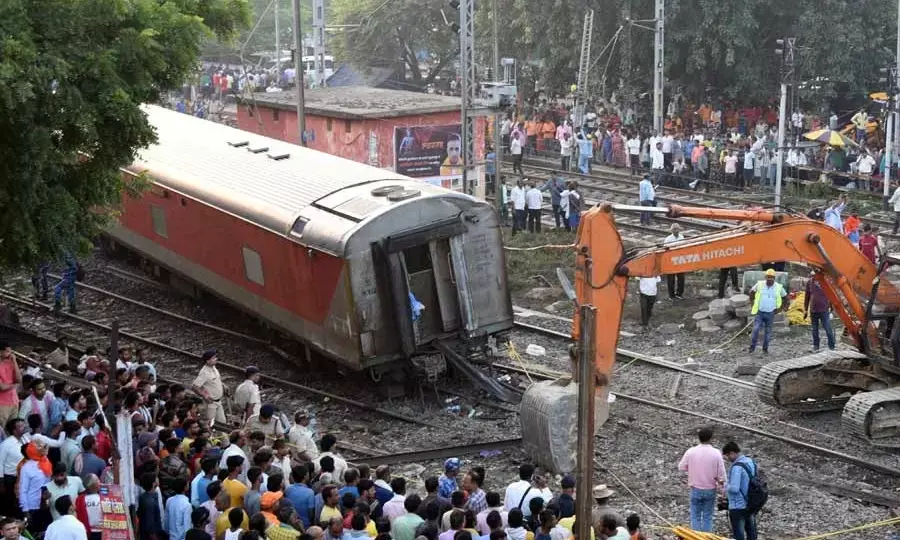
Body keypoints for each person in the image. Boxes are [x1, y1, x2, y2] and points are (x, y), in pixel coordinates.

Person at [677, 427, 726, 532]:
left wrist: (691, 468)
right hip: (710, 488)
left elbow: (681, 467)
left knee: (695, 515)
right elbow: (721, 474)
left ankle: (696, 537)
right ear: (711, 438)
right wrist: (722, 489)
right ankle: (706, 537)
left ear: (699, 438)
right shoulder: (716, 453)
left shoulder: (691, 451)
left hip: (695, 487)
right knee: (708, 516)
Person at [722, 442, 758, 540]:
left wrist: (724, 485)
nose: (728, 459)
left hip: (738, 506)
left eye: (727, 455)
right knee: (752, 533)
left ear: (732, 453)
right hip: (751, 503)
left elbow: (734, 488)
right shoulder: (751, 462)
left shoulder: (737, 467)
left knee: (739, 535)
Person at [749, 269, 788, 354]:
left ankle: (765, 349)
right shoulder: (759, 284)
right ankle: (752, 348)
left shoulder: (778, 287)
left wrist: (781, 308)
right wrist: (752, 304)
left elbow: (785, 298)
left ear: (774, 278)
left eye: (771, 277)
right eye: (768, 277)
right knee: (755, 330)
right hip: (760, 312)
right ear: (765, 277)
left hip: (770, 313)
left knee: (768, 332)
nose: (770, 279)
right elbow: (751, 292)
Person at [191, 350, 225, 426]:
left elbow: (216, 380)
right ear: (207, 361)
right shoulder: (204, 372)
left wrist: (223, 386)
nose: (216, 359)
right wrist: (205, 396)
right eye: (213, 358)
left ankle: (222, 437)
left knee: (222, 423)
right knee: (211, 424)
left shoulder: (214, 368)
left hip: (219, 402)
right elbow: (195, 387)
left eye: (215, 357)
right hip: (211, 403)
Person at [804, 271, 835, 352]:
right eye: (812, 276)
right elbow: (807, 297)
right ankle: (816, 346)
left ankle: (832, 346)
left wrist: (831, 307)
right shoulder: (809, 282)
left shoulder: (826, 282)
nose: (813, 277)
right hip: (813, 310)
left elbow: (831, 295)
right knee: (814, 330)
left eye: (815, 275)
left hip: (824, 310)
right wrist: (805, 309)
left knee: (828, 328)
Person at [0, 344, 21, 426]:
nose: (11, 354)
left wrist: (15, 362)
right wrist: (14, 386)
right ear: (1, 352)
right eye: (8, 351)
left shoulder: (10, 363)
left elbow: (19, 379)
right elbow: (2, 387)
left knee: (12, 430)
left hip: (14, 402)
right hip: (2, 404)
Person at [663, 225, 685, 299]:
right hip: (671, 260)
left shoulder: (681, 237)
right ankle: (671, 295)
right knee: (671, 279)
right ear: (672, 231)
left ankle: (679, 293)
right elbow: (665, 250)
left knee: (681, 278)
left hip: (679, 260)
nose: (676, 231)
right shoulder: (668, 239)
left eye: (677, 229)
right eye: (675, 229)